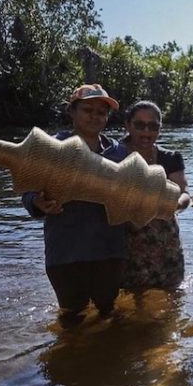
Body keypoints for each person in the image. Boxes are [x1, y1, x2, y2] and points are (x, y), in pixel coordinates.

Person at [22, 83, 127, 321]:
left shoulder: (119, 152)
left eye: (101, 112)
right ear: (72, 112)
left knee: (108, 314)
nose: (95, 116)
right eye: (87, 110)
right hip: (66, 253)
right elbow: (27, 191)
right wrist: (38, 203)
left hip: (110, 251)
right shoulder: (50, 148)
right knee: (71, 318)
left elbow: (134, 194)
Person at [120, 100, 190, 291]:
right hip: (127, 238)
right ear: (127, 124)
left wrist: (175, 204)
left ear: (160, 128)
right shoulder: (114, 156)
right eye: (140, 125)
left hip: (165, 237)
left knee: (171, 295)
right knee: (127, 298)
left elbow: (184, 194)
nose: (146, 132)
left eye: (153, 126)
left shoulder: (171, 157)